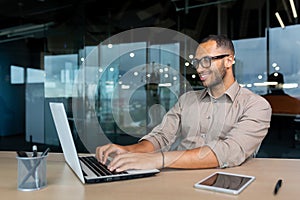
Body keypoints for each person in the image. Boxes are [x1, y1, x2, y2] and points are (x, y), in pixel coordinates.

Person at [96, 34, 272, 172]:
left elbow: (229, 151)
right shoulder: (187, 100)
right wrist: (129, 150)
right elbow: (162, 137)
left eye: (206, 61)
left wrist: (159, 159)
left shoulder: (256, 106)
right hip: (175, 178)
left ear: (229, 60)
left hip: (222, 185)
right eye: (196, 62)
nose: (199, 68)